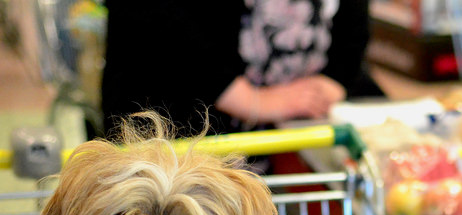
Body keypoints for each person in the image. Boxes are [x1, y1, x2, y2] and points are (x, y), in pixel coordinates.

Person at [99, 0, 382, 139]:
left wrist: (335, 80)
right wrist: (250, 100)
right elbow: (151, 16)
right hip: (177, 139)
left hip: (286, 139)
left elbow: (353, 27)